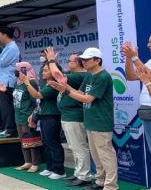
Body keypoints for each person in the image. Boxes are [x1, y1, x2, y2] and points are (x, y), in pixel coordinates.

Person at [50, 47, 118, 190]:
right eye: (83, 59)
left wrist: (66, 90)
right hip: (90, 120)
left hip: (101, 121)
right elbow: (80, 92)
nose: (84, 62)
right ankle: (100, 182)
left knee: (105, 155)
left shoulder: (103, 76)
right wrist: (64, 85)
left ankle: (111, 186)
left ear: (97, 60)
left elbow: (87, 98)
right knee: (96, 155)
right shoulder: (88, 75)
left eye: (87, 59)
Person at [122, 30, 151, 190]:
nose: (148, 45)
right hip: (146, 112)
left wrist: (135, 57)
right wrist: (129, 58)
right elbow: (130, 76)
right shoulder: (150, 61)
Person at [45, 47, 92, 186]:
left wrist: (52, 60)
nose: (68, 63)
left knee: (79, 147)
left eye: (70, 61)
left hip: (75, 116)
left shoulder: (79, 75)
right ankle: (78, 173)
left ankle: (84, 176)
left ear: (78, 63)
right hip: (67, 116)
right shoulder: (75, 75)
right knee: (74, 147)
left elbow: (56, 74)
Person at [22, 63, 65, 180]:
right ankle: (50, 167)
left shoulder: (53, 85)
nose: (43, 72)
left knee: (53, 143)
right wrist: (34, 115)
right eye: (43, 70)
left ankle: (59, 170)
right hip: (44, 116)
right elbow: (40, 103)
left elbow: (36, 95)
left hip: (52, 116)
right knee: (46, 144)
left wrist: (26, 81)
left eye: (46, 70)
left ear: (53, 72)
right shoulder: (46, 84)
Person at [0, 62, 40, 173]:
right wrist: (6, 91)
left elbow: (35, 101)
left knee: (31, 140)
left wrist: (33, 115)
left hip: (27, 116)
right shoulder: (18, 83)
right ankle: (27, 161)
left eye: (18, 70)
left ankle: (35, 163)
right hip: (18, 116)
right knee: (23, 140)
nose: (16, 72)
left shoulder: (30, 82)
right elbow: (16, 99)